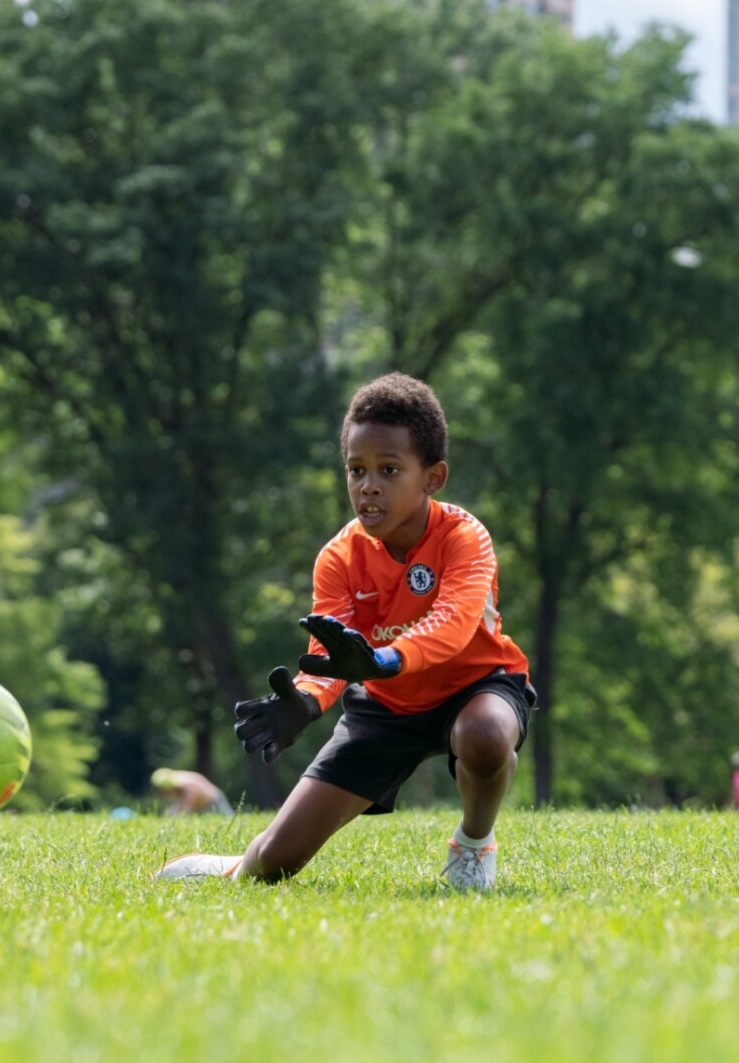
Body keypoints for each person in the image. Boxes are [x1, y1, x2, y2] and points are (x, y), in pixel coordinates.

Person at [156, 373, 533, 891]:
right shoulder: (338, 557)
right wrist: (307, 703)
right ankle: (233, 863)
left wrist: (384, 660)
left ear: (433, 477)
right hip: (386, 709)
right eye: (356, 470)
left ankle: (472, 845)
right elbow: (328, 657)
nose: (368, 485)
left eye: (389, 469)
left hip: (476, 687)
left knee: (486, 736)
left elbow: (453, 623)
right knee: (275, 864)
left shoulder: (464, 538)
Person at [150, 768, 235, 817]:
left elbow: (187, 810)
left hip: (214, 802)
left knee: (230, 821)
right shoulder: (178, 784)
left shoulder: (188, 787)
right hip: (203, 807)